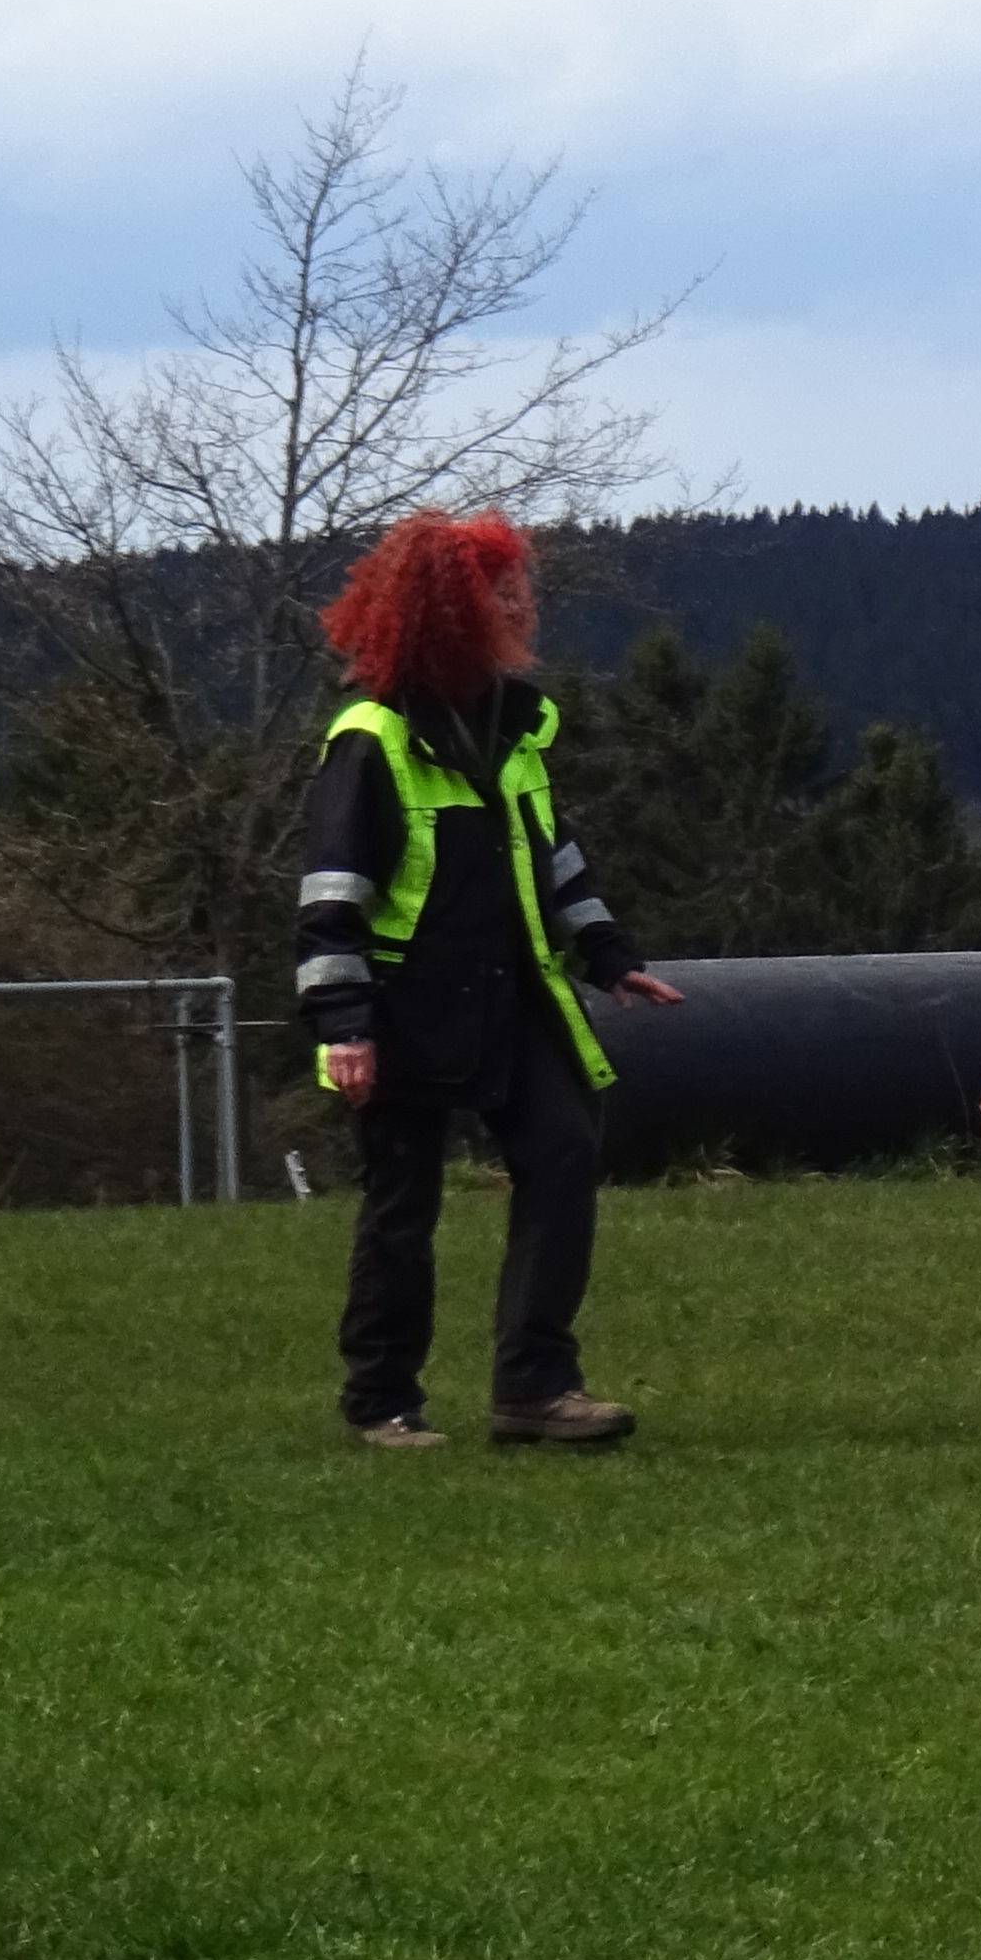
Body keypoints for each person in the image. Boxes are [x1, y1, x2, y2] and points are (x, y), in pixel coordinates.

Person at [295, 511, 682, 1448]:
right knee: (404, 1206)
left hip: (513, 1000)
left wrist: (611, 957)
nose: (525, 605)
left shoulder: (513, 727)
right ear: (449, 611)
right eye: (505, 592)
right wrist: (344, 1027)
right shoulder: (371, 739)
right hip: (401, 1012)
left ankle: (535, 1389)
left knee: (560, 1154)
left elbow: (554, 859)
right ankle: (382, 1402)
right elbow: (330, 898)